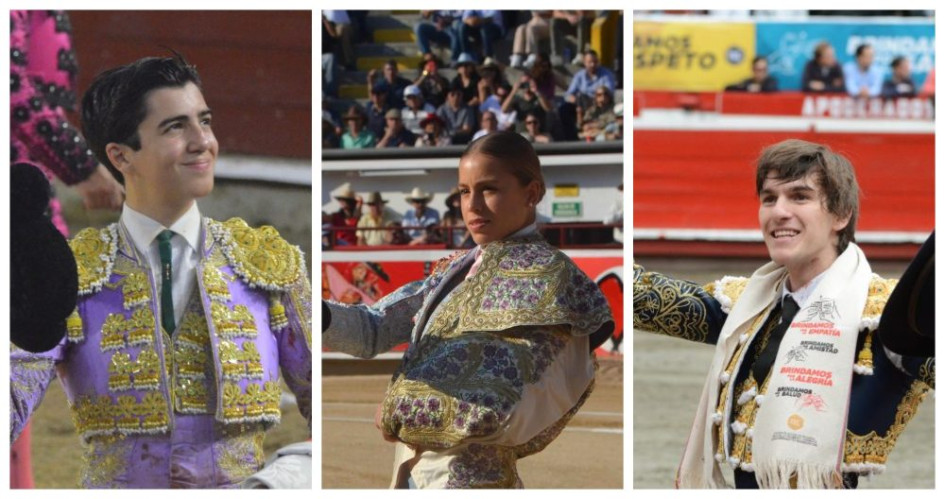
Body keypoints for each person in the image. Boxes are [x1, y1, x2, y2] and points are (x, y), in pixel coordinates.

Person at [10, 54, 312, 488]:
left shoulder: (266, 263)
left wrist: (280, 482)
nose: (202, 141)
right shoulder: (71, 272)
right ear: (121, 155)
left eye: (204, 122)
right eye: (175, 127)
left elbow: (323, 411)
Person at [633, 139, 933, 489]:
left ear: (840, 215)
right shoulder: (749, 305)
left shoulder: (887, 315)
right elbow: (645, 299)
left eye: (800, 196)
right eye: (769, 198)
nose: (779, 211)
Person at [322, 131, 614, 488]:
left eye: (489, 189)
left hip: (475, 478)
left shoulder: (553, 279)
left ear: (532, 193)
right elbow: (375, 329)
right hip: (411, 471)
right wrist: (316, 313)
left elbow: (511, 401)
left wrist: (403, 410)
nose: (472, 205)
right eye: (463, 191)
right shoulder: (454, 270)